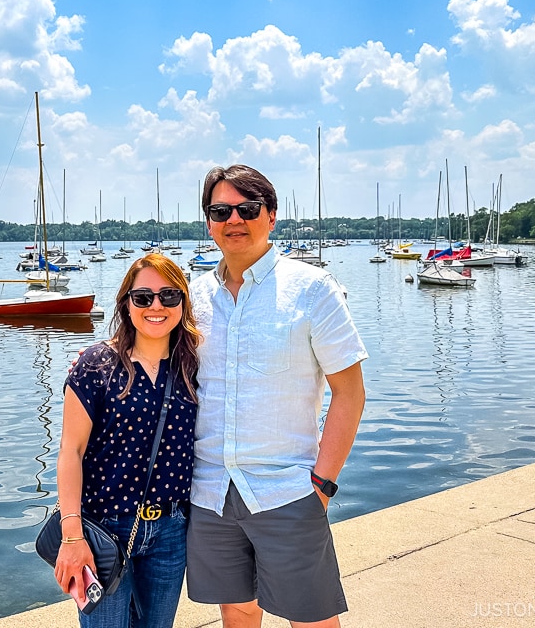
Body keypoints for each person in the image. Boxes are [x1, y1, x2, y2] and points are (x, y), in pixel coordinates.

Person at [185, 164, 367, 628]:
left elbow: (349, 393)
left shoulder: (312, 290)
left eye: (248, 208)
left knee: (311, 617)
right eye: (220, 210)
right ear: (208, 221)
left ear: (271, 216)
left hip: (287, 490)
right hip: (210, 491)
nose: (234, 219)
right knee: (238, 610)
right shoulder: (193, 297)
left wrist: (323, 484)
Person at [54, 253, 201, 628]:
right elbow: (71, 451)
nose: (156, 306)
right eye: (143, 297)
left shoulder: (193, 366)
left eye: (169, 296)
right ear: (126, 303)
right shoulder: (96, 366)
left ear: (182, 303)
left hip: (170, 531)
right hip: (104, 529)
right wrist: (71, 536)